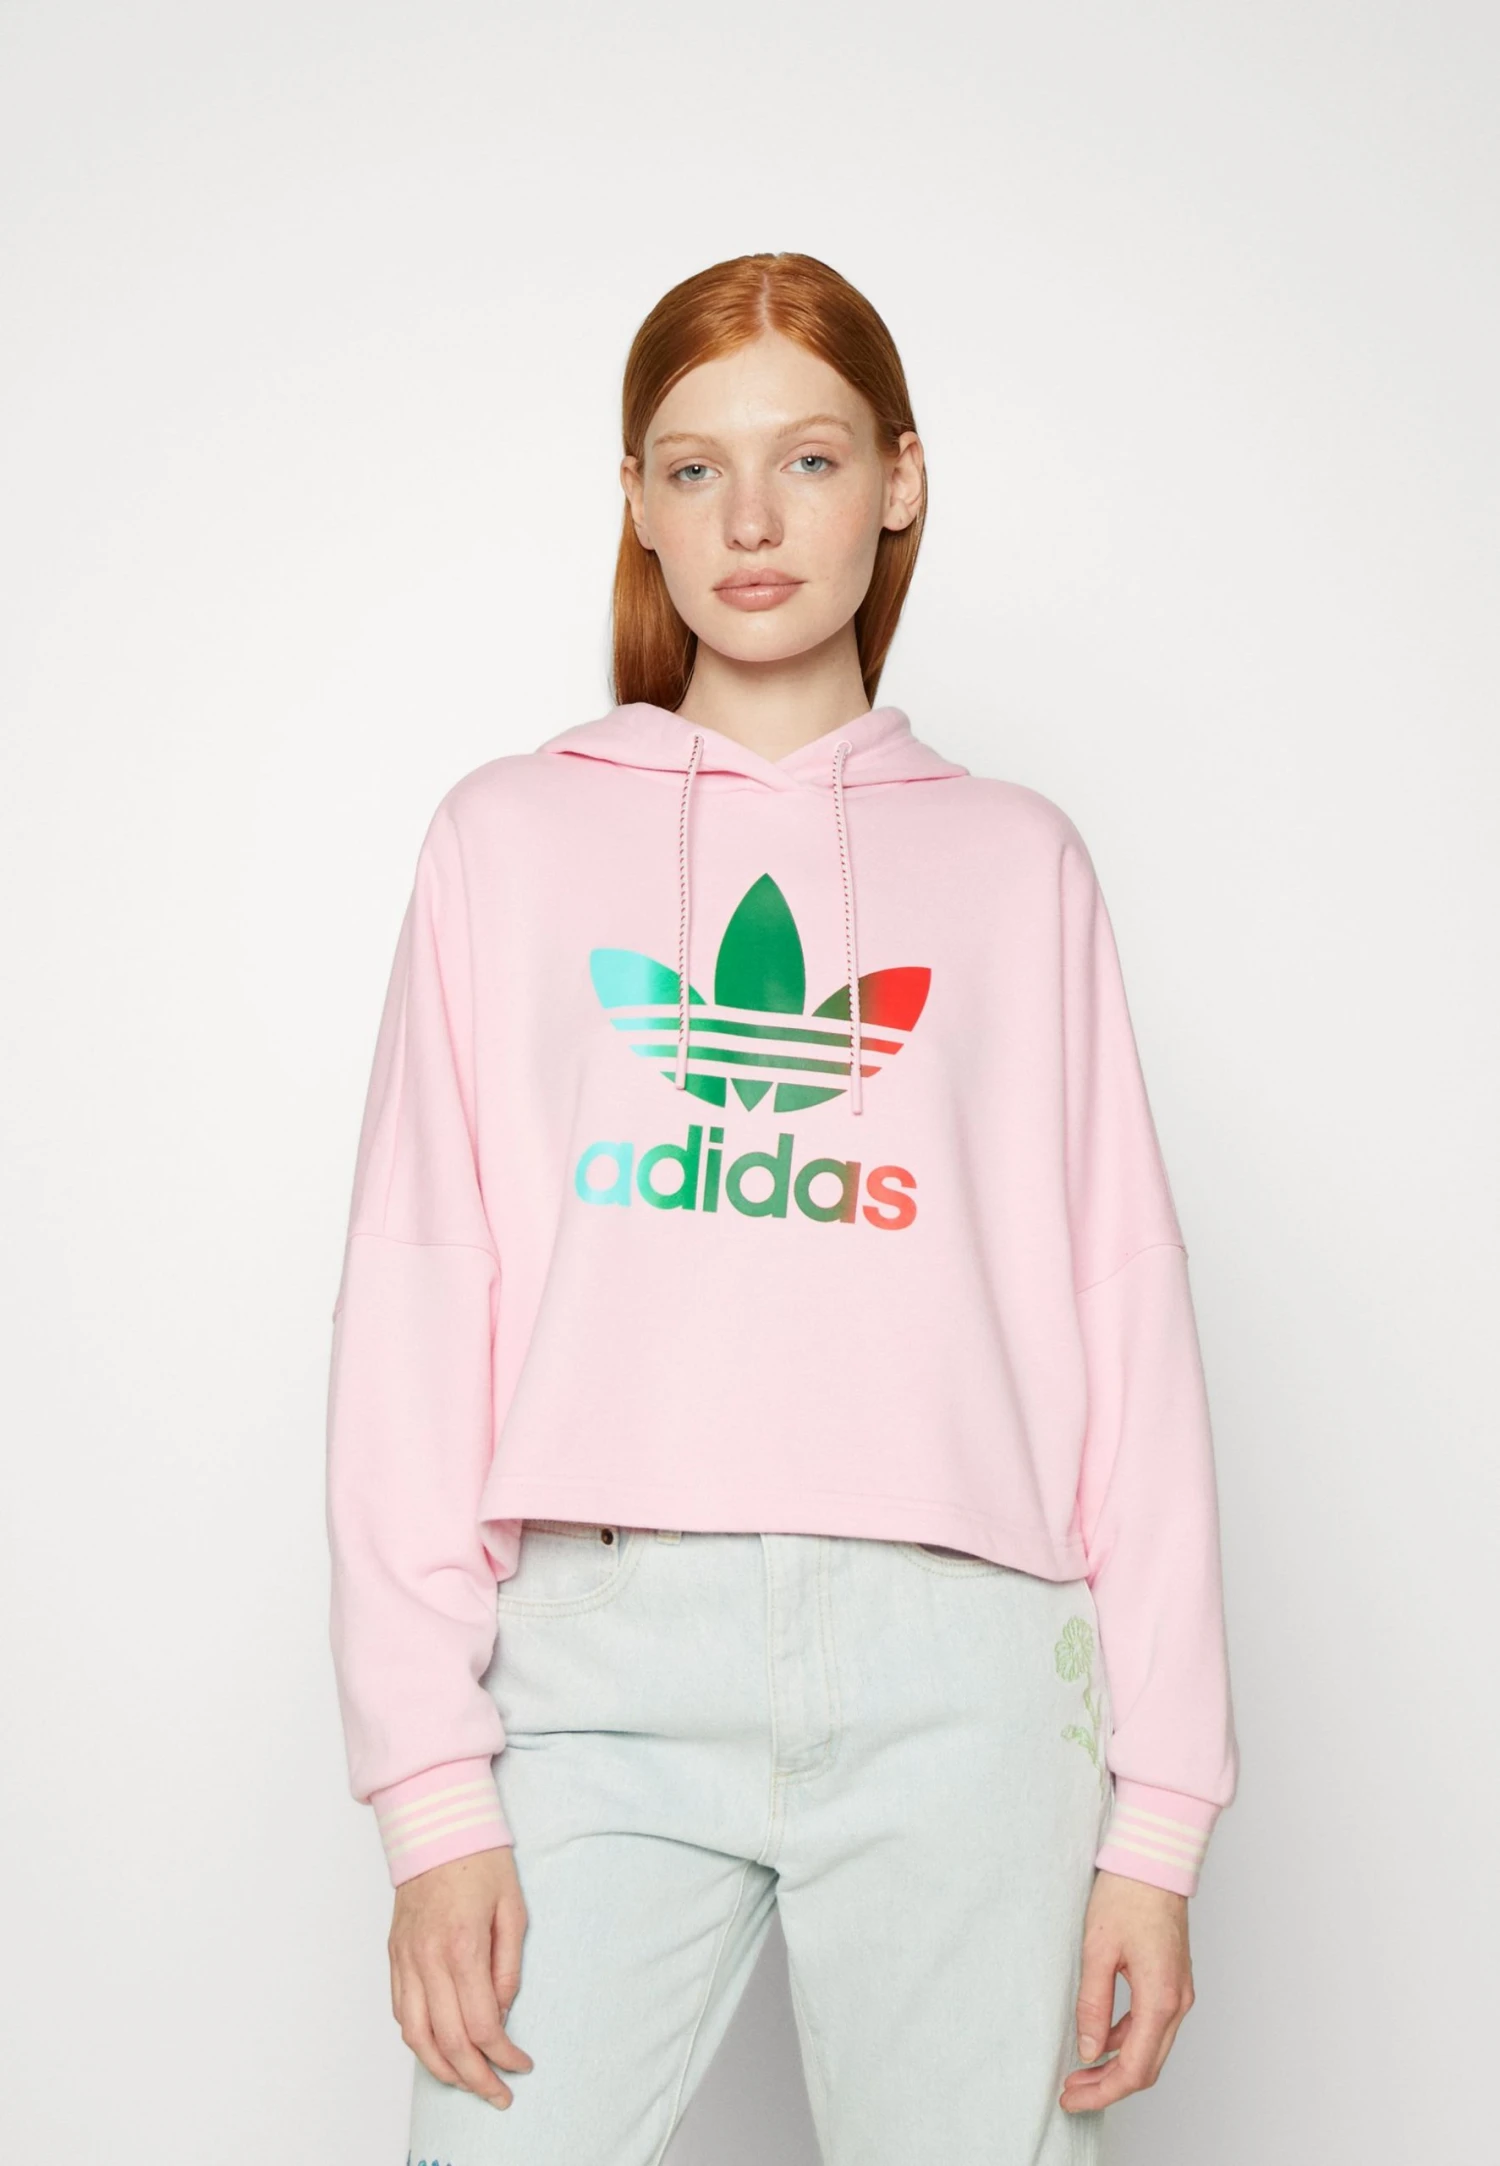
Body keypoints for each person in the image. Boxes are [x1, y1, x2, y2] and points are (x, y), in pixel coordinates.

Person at [324, 250, 1238, 2165]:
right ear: (638, 504)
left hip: (966, 1670)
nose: (749, 519)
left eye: (808, 459)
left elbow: (1128, 1325)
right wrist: (432, 1790)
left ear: (898, 479)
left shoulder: (1017, 864)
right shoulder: (505, 839)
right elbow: (417, 1310)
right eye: (693, 468)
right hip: (598, 1660)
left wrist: (1160, 1817)